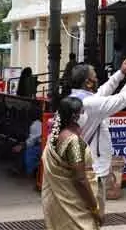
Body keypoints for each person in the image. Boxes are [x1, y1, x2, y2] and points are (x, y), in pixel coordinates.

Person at [69, 55, 126, 215]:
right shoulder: (89, 104)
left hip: (84, 169)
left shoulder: (77, 99)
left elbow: (102, 92)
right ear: (88, 83)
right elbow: (123, 99)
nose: (97, 80)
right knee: (91, 218)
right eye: (94, 77)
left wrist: (121, 73)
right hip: (91, 172)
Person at [41, 97, 102, 230]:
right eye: (82, 112)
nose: (84, 115)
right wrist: (94, 208)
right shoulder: (73, 142)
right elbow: (80, 179)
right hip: (74, 207)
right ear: (75, 116)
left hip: (57, 203)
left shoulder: (54, 136)